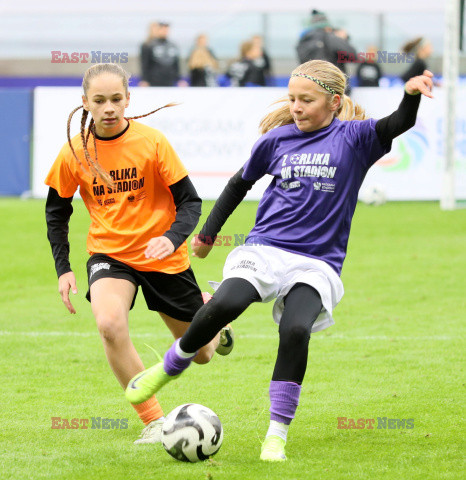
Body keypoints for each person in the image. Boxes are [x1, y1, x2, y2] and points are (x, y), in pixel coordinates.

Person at [125, 60, 434, 461]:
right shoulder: (277, 140)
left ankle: (275, 435)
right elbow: (238, 184)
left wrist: (410, 95)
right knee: (226, 303)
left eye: (306, 100)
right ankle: (169, 367)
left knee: (295, 331)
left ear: (335, 102)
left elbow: (398, 124)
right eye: (292, 99)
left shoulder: (356, 138)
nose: (296, 107)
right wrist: (207, 234)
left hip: (318, 262)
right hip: (265, 249)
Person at [45, 63, 233, 445]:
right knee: (109, 324)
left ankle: (211, 309)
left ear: (128, 99)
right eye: (100, 100)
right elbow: (56, 211)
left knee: (203, 355)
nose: (109, 107)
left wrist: (172, 237)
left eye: (117, 99)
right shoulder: (74, 152)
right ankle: (154, 420)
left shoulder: (152, 142)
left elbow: (189, 202)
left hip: (163, 256)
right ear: (85, 103)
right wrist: (63, 268)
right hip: (110, 255)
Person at [296, 10, 357, 77]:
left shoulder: (303, 41)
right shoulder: (330, 38)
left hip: (311, 83)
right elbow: (353, 57)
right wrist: (342, 40)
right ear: (327, 26)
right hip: (333, 83)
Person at [139, 21, 183, 87]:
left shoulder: (172, 45)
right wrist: (144, 80)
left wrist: (179, 79)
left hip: (169, 80)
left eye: (167, 29)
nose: (165, 31)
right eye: (163, 29)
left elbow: (176, 64)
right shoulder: (148, 45)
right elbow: (145, 64)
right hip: (154, 81)